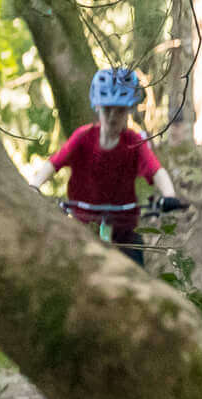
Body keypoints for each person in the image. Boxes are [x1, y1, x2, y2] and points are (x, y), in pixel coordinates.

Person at [28, 66, 189, 265]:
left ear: (129, 110)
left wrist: (169, 196)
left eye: (120, 110)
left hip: (123, 227)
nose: (113, 116)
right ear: (97, 108)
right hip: (83, 226)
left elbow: (156, 170)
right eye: (107, 109)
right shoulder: (83, 137)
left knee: (135, 273)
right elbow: (54, 163)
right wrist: (34, 186)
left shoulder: (134, 141)